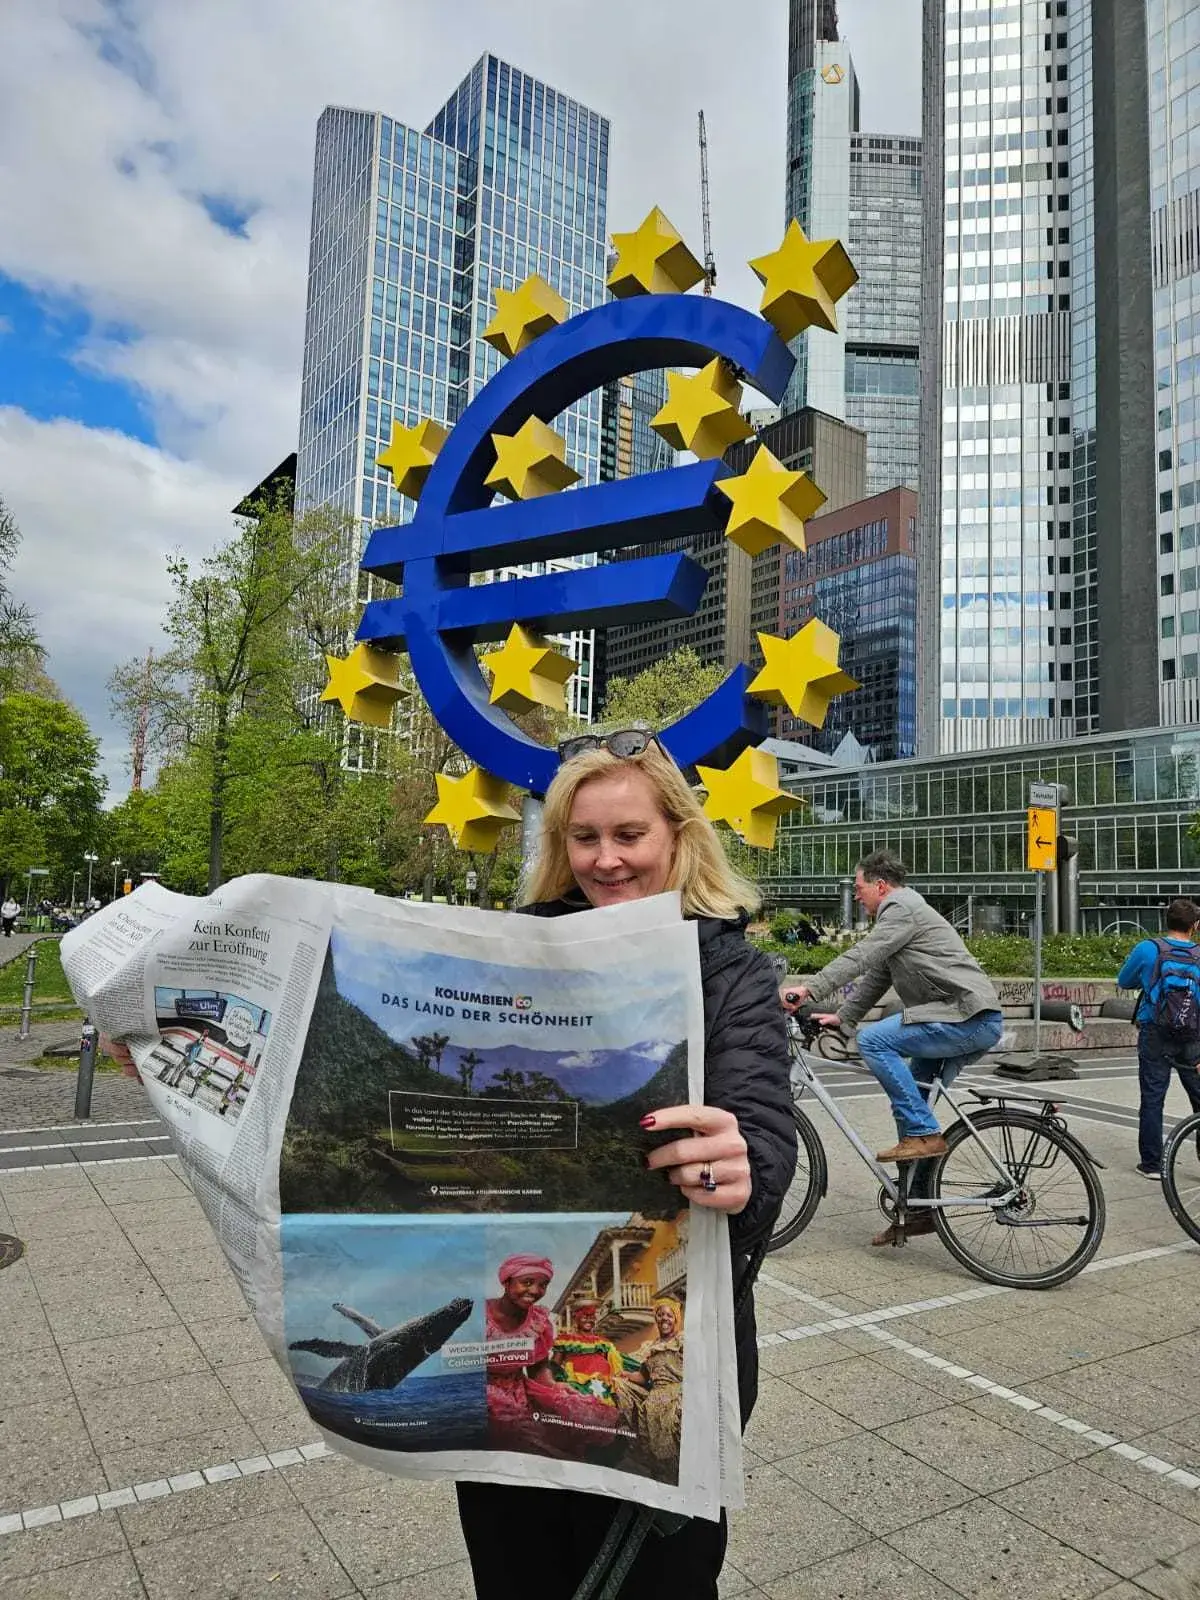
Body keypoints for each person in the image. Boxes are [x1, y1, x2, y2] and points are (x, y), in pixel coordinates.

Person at [455, 730, 797, 1600]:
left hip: (681, 1345)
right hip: (505, 1349)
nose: (606, 860)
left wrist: (740, 1162)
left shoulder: (733, 971)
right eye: (584, 838)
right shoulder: (505, 954)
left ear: (679, 836)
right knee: (513, 1573)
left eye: (629, 835)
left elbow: (762, 1138)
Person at [781, 850, 1003, 1244]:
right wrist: (844, 1017)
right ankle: (917, 1210)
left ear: (880, 886)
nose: (856, 895)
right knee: (911, 1109)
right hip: (960, 1019)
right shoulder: (902, 917)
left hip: (966, 1017)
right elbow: (877, 974)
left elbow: (862, 956)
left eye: (859, 887)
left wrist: (810, 989)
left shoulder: (902, 908)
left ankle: (922, 1131)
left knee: (875, 1041)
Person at [1116, 897, 1200, 1178]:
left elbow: (1124, 981)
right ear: (1195, 926)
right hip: (1194, 1037)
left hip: (1155, 1031)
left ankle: (1151, 1165)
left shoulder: (1147, 949)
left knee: (1153, 1098)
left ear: (1166, 922)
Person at [622, 1296, 686, 1473]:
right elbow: (643, 1377)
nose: (664, 1318)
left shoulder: (682, 1341)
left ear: (676, 1319)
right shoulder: (650, 1347)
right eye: (660, 1314)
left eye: (669, 1315)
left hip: (677, 1392)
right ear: (656, 1319)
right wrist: (625, 1374)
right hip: (655, 1397)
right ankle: (661, 1472)